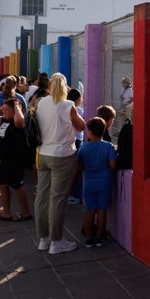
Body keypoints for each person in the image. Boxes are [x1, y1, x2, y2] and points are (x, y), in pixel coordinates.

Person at [33, 72, 87, 255]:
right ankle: (56, 242)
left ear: (49, 86)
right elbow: (81, 126)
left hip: (43, 154)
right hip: (62, 156)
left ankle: (43, 239)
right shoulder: (68, 105)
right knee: (58, 199)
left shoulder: (41, 102)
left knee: (42, 197)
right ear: (65, 87)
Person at [0, 91, 31, 222]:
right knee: (3, 185)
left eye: (7, 110)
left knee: (17, 185)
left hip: (15, 160)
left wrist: (17, 107)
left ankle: (26, 213)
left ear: (14, 111)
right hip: (4, 160)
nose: (4, 111)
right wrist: (2, 108)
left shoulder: (18, 123)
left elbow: (19, 119)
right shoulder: (3, 120)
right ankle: (6, 213)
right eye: (4, 109)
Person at [75, 116, 116, 247]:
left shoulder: (83, 148)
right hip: (104, 182)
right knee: (102, 209)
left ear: (90, 132)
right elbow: (113, 165)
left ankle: (89, 238)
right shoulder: (108, 147)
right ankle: (100, 237)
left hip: (89, 182)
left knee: (89, 209)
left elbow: (79, 166)